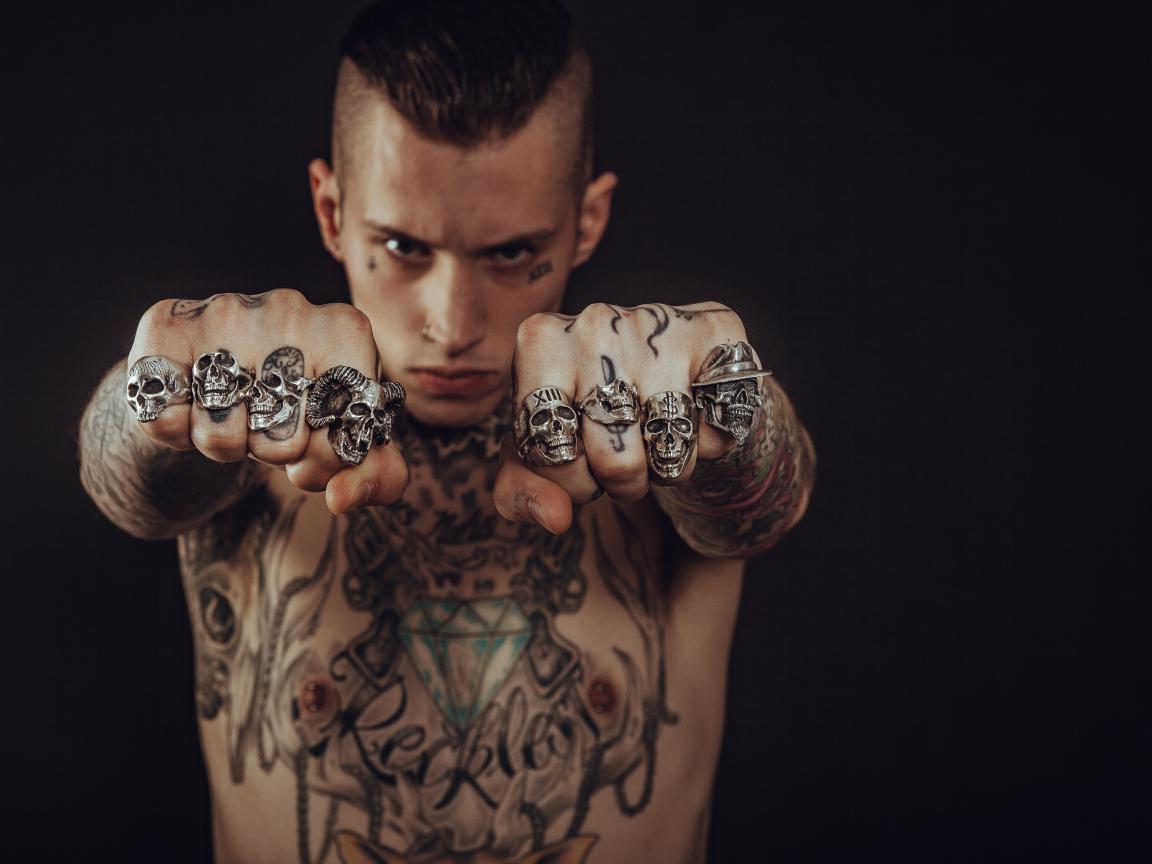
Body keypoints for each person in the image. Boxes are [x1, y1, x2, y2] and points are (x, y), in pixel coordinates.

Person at [78, 1, 815, 861]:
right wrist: (157, 391)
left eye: (510, 253)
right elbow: (124, 487)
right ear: (331, 211)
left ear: (586, 221)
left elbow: (768, 497)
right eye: (403, 247)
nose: (453, 323)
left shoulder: (662, 438)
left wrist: (734, 397)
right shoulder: (242, 431)